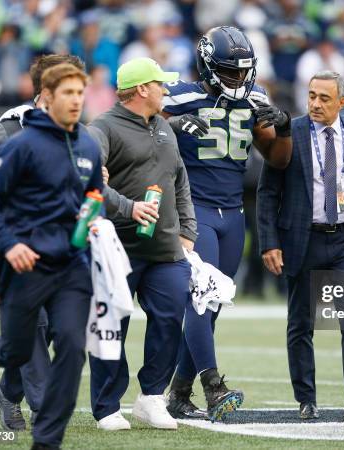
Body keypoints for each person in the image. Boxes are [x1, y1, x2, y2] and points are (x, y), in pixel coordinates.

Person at [0, 63, 104, 449]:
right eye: (67, 93)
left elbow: (94, 194)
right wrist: (10, 241)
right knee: (17, 349)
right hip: (24, 260)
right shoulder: (18, 138)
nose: (76, 101)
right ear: (46, 96)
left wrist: (95, 216)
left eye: (79, 93)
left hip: (71, 264)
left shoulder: (86, 143)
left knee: (71, 346)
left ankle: (45, 439)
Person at [161, 26, 292, 421]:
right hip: (194, 209)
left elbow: (279, 159)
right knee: (200, 299)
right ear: (206, 66)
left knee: (212, 304)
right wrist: (171, 125)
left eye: (243, 71)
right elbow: (135, 122)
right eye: (229, 71)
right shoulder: (181, 94)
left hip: (234, 213)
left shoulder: (255, 98)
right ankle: (214, 387)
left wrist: (283, 127)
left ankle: (179, 394)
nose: (239, 79)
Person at [257, 71, 344, 421]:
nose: (315, 103)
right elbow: (268, 192)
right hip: (303, 237)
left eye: (324, 98)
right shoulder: (290, 132)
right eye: (311, 95)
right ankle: (306, 399)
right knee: (301, 323)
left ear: (341, 102)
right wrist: (269, 242)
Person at [86, 57, 197, 431]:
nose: (167, 89)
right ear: (142, 89)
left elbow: (179, 179)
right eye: (161, 84)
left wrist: (188, 230)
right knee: (111, 326)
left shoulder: (165, 126)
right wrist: (127, 208)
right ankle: (106, 406)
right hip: (116, 246)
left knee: (169, 320)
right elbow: (90, 180)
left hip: (166, 248)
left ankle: (151, 397)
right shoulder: (102, 127)